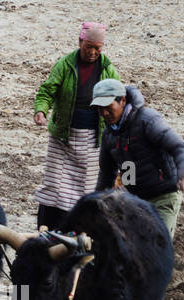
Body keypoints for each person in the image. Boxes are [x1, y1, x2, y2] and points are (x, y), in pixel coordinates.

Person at [32, 22, 120, 230]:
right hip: (63, 136)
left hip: (92, 138)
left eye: (97, 48)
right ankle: (46, 226)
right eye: (88, 47)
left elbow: (119, 98)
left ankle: (77, 227)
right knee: (54, 185)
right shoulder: (65, 64)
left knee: (85, 187)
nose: (92, 52)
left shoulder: (108, 69)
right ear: (80, 42)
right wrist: (41, 110)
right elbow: (47, 91)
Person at [92, 79, 184, 240]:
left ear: (123, 101)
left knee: (158, 244)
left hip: (164, 195)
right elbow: (106, 173)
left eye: (108, 107)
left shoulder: (147, 120)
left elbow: (179, 148)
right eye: (100, 108)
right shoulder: (109, 134)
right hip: (135, 199)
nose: (104, 113)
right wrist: (95, 203)